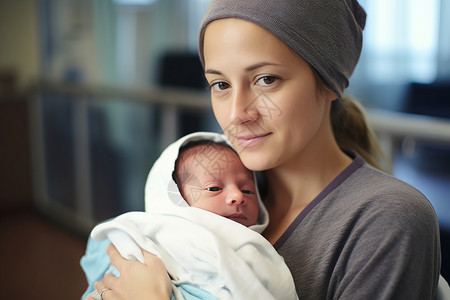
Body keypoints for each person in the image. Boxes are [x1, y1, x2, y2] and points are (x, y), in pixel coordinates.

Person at [91, 0, 446, 299]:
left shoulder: (385, 222)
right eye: (220, 84)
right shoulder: (210, 195)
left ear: (328, 81)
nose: (235, 114)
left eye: (266, 79)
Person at [83, 132, 297, 300]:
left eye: (248, 190)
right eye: (214, 188)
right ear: (175, 200)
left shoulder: (253, 249)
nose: (237, 196)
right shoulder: (144, 234)